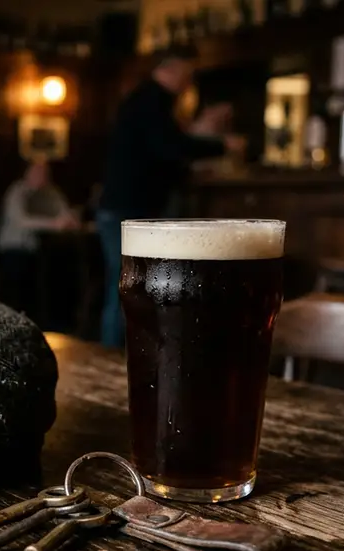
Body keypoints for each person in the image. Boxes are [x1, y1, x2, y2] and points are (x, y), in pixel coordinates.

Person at [95, 45, 245, 347]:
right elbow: (169, 148)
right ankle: (111, 356)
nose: (189, 82)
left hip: (126, 206)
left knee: (128, 284)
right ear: (170, 69)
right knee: (128, 285)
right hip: (128, 209)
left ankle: (119, 355)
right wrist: (222, 146)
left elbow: (158, 155)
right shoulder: (151, 101)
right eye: (188, 74)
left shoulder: (148, 101)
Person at [0, 160, 78, 316]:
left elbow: (65, 212)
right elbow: (22, 221)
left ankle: (53, 319)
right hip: (14, 249)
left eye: (45, 173)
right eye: (37, 172)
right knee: (24, 271)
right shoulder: (17, 191)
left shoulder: (50, 192)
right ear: (27, 173)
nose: (41, 176)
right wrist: (54, 224)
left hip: (40, 250)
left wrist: (70, 219)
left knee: (62, 268)